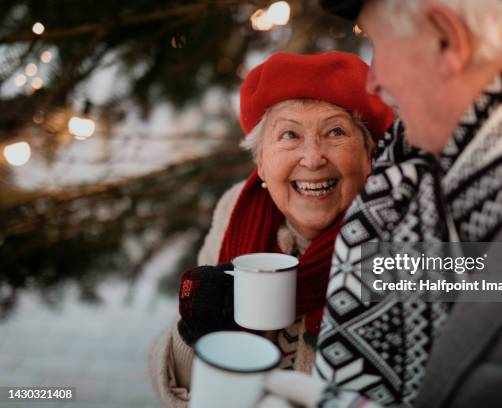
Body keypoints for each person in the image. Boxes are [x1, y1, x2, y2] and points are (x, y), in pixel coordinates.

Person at [258, 1, 502, 407]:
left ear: (447, 40)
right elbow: (490, 274)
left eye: (378, 43)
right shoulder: (434, 186)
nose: (374, 82)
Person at [147, 51, 394, 408]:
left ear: (368, 157)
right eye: (289, 135)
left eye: (335, 132)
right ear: (261, 162)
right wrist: (196, 330)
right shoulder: (235, 212)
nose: (312, 158)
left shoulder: (402, 230)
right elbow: (185, 388)